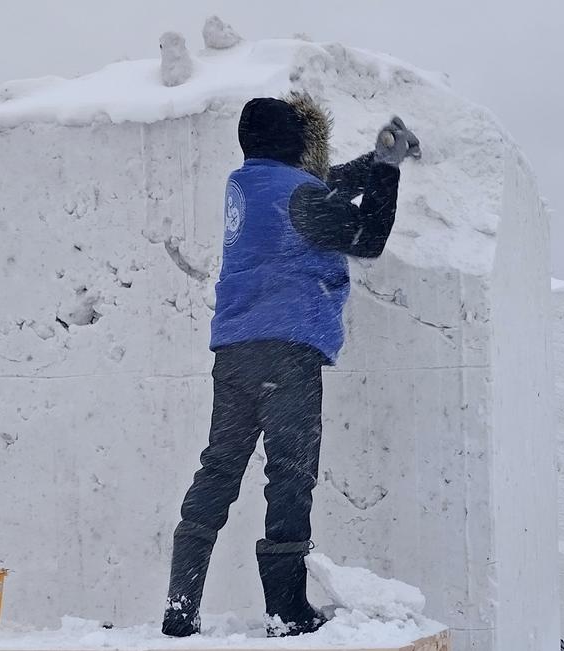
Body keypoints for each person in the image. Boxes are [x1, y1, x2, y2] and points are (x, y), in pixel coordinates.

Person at [162, 94, 420, 639]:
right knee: (289, 476)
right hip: (288, 349)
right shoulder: (299, 196)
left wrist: (372, 161)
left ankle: (180, 606)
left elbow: (314, 191)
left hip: (234, 350)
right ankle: (286, 610)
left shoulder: (245, 186)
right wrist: (389, 171)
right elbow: (366, 236)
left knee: (218, 471)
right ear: (293, 142)